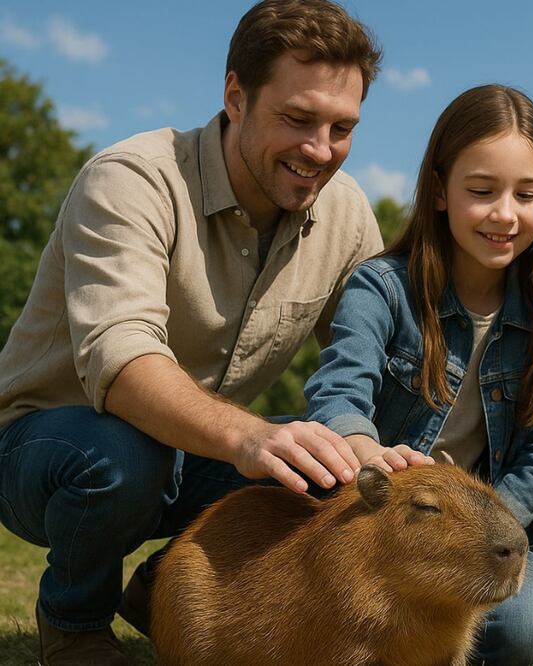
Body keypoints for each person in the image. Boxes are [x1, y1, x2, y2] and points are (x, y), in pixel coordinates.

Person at [0, 1, 385, 663]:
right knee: (124, 454)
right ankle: (75, 621)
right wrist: (250, 435)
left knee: (331, 469)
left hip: (194, 453)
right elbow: (121, 359)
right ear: (235, 95)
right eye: (297, 119)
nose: (320, 150)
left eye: (341, 127)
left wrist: (368, 451)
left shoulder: (345, 212)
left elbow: (373, 356)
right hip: (48, 445)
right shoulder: (132, 179)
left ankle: (165, 587)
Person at [303, 83, 533, 666]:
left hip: (494, 524)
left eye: (527, 194)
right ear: (439, 191)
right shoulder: (379, 287)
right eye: (481, 191)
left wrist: (482, 532)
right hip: (384, 518)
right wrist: (364, 449)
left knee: (530, 631)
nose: (505, 214)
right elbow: (337, 394)